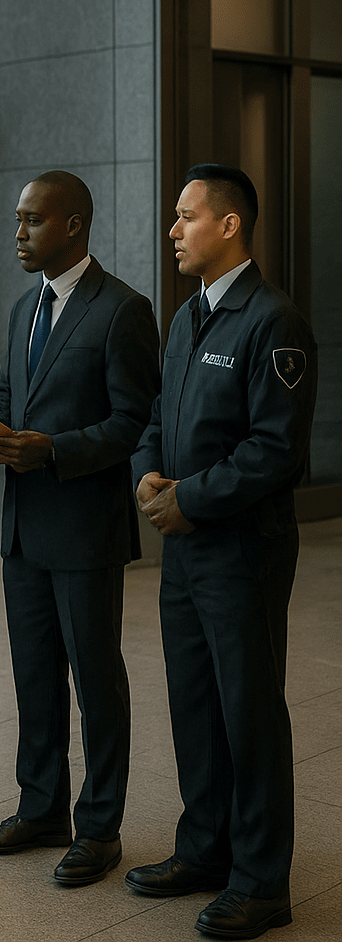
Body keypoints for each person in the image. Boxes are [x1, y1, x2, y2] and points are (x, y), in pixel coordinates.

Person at [128, 164, 316, 940]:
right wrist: (146, 469)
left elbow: (277, 451)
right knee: (196, 708)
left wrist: (189, 501)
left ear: (230, 226)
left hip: (243, 552)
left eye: (186, 217)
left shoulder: (273, 322)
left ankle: (261, 880)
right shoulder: (186, 319)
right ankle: (204, 849)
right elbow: (159, 415)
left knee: (249, 714)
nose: (173, 230)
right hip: (184, 553)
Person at [0, 171, 160, 885]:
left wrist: (55, 448)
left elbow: (134, 423)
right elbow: (15, 399)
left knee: (95, 680)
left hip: (85, 531)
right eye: (18, 221)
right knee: (34, 676)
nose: (18, 233)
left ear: (73, 224)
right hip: (24, 532)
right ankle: (42, 807)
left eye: (32, 221)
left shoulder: (123, 311)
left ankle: (100, 827)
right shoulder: (22, 310)